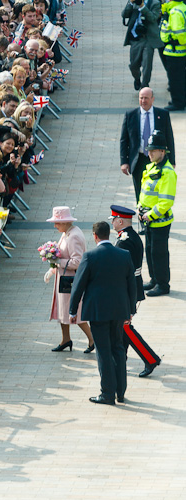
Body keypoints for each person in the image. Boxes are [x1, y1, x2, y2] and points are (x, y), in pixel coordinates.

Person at [69, 221, 137, 405]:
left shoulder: (90, 256)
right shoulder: (124, 255)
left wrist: (72, 310)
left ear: (95, 236)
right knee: (118, 348)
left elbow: (79, 285)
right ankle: (120, 392)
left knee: (103, 351)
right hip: (119, 310)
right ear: (108, 234)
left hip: (98, 311)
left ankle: (107, 393)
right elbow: (132, 284)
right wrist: (131, 310)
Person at [109, 205, 161, 377]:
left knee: (125, 327)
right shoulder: (131, 236)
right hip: (131, 288)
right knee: (122, 327)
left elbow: (121, 270)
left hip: (126, 290)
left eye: (114, 219)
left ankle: (150, 359)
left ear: (121, 220)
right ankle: (120, 358)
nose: (113, 223)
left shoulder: (124, 240)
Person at [45, 206, 94, 353]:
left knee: (75, 312)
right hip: (64, 279)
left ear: (65, 222)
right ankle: (65, 339)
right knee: (62, 311)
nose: (55, 226)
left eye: (57, 223)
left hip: (72, 281)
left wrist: (57, 263)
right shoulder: (67, 232)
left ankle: (93, 340)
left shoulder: (73, 236)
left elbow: (77, 262)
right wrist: (53, 268)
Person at [138, 129, 177, 297]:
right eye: (149, 150)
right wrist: (140, 209)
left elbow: (166, 201)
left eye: (153, 150)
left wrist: (150, 214)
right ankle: (154, 279)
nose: (150, 153)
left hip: (158, 221)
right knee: (150, 251)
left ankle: (163, 284)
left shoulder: (167, 173)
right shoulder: (152, 167)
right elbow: (145, 193)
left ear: (162, 151)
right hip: (148, 219)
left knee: (159, 253)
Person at [120, 87, 175, 202]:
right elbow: (124, 140)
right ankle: (141, 215)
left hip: (157, 159)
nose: (143, 101)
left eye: (146, 98)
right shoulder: (131, 115)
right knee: (139, 191)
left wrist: (172, 161)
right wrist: (124, 162)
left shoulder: (162, 114)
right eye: (141, 98)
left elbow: (169, 139)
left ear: (152, 99)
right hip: (138, 159)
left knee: (157, 189)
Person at [122, 0, 163, 90]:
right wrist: (130, 3)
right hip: (135, 38)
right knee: (133, 65)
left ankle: (145, 86)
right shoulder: (133, 2)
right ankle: (137, 78)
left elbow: (153, 18)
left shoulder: (155, 3)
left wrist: (142, 6)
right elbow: (124, 15)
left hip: (148, 38)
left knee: (147, 65)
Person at [160, 0, 186, 111]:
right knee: (181, 77)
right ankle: (180, 100)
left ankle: (177, 103)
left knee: (175, 79)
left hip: (175, 51)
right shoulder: (182, 7)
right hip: (180, 50)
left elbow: (178, 32)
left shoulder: (174, 11)